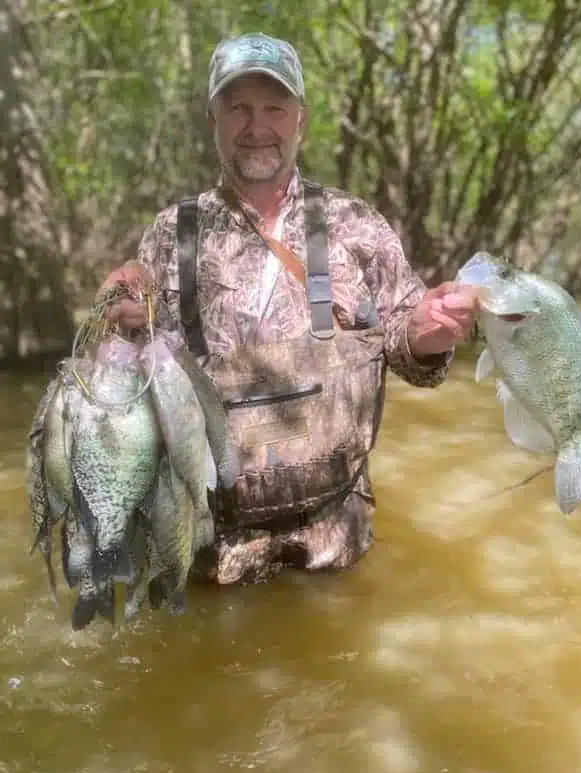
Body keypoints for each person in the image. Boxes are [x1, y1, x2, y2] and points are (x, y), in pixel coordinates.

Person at [98, 33, 479, 585]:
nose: (257, 127)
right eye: (239, 108)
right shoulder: (170, 234)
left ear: (300, 119)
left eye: (274, 108)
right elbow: (133, 374)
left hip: (333, 547)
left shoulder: (356, 224)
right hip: (207, 551)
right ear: (214, 119)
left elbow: (405, 346)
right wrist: (118, 312)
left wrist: (427, 332)